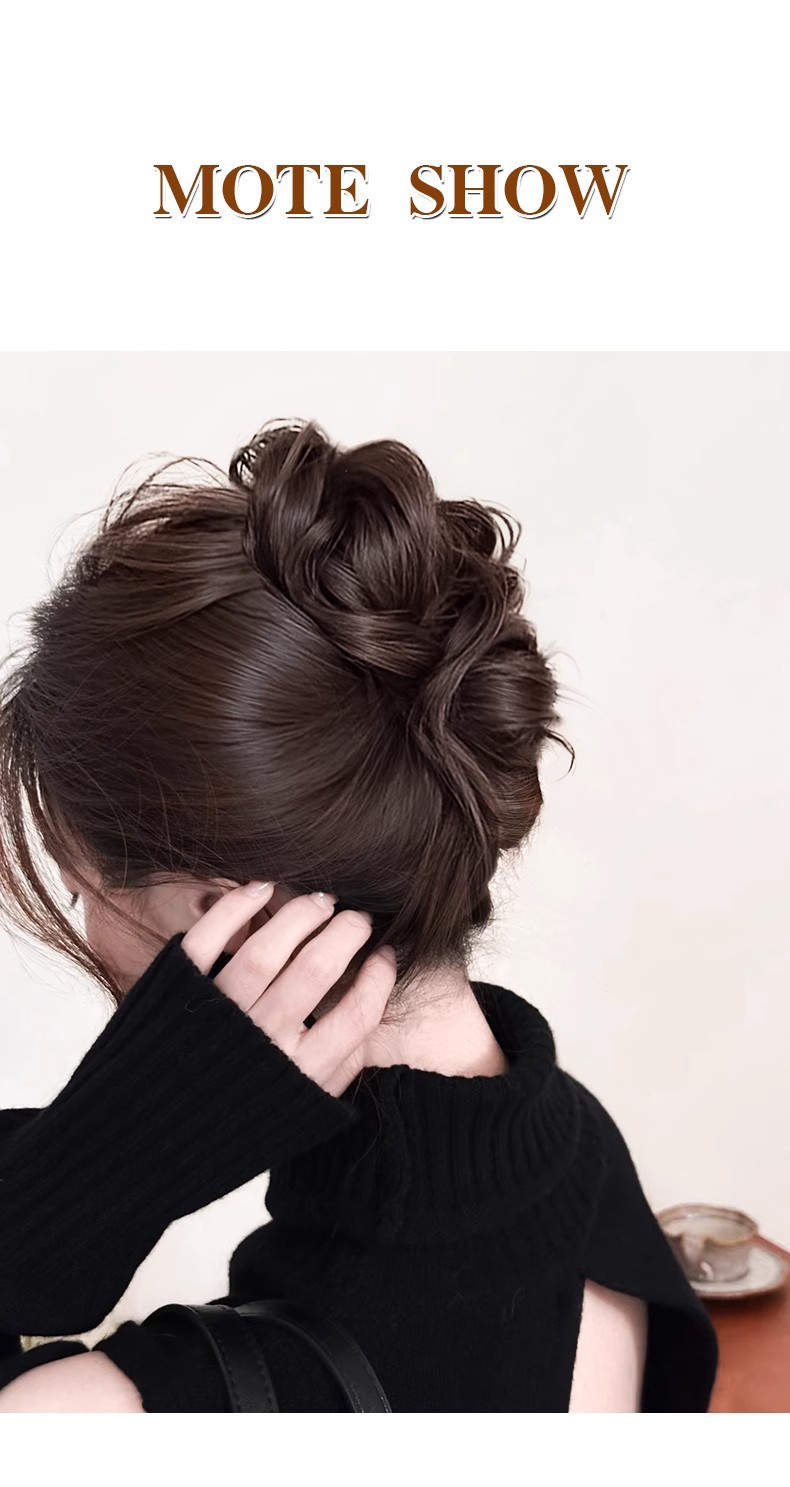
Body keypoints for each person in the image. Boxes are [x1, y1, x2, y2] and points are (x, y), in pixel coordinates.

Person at [0, 419, 718, 1412]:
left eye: (83, 887)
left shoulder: (110, 1414)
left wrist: (78, 1190)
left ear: (226, 913)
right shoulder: (573, 1145)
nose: (81, 922)